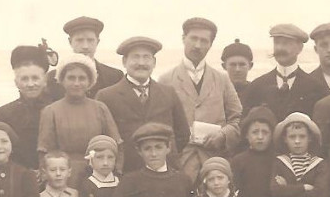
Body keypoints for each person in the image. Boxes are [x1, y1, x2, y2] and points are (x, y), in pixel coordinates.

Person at [157, 17, 243, 182]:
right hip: (179, 163)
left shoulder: (222, 79)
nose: (198, 45)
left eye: (204, 40)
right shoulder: (166, 79)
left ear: (210, 44)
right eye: (193, 38)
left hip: (214, 165)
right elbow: (159, 124)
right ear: (183, 39)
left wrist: (223, 135)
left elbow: (238, 118)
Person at [96, 36, 191, 173]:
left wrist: (166, 156)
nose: (141, 63)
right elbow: (102, 138)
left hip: (166, 170)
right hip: (126, 171)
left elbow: (183, 134)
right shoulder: (106, 96)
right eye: (135, 57)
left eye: (146, 57)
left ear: (154, 62)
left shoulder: (168, 92)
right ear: (124, 61)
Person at [38, 53, 123, 188]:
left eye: (82, 78)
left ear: (90, 81)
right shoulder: (51, 111)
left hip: (98, 176)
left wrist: (114, 175)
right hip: (64, 177)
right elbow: (45, 151)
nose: (76, 83)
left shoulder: (100, 108)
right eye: (71, 78)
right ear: (62, 80)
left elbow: (116, 145)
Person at [243, 24, 328, 121]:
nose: (280, 48)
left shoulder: (316, 88)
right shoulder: (257, 87)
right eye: (277, 43)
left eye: (286, 43)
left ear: (300, 48)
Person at [0, 46, 53, 171]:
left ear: (45, 80)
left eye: (35, 78)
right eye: (24, 79)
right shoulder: (2, 114)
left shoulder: (56, 110)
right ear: (16, 82)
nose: (30, 84)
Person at [62, 16, 125, 97]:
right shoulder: (53, 78)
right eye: (79, 40)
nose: (85, 46)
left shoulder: (115, 76)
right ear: (70, 42)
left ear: (97, 42)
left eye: (90, 40)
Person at [220, 38, 254, 108]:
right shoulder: (216, 93)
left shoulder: (257, 92)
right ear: (224, 66)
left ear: (250, 66)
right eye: (233, 65)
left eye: (242, 65)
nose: (237, 69)